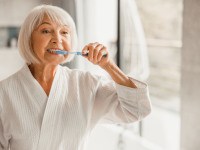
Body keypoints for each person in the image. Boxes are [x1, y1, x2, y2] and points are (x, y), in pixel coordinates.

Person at [0, 4, 151, 150]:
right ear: (28, 38)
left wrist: (108, 65)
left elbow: (137, 109)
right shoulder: (4, 92)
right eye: (46, 31)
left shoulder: (86, 84)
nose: (57, 39)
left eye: (64, 32)